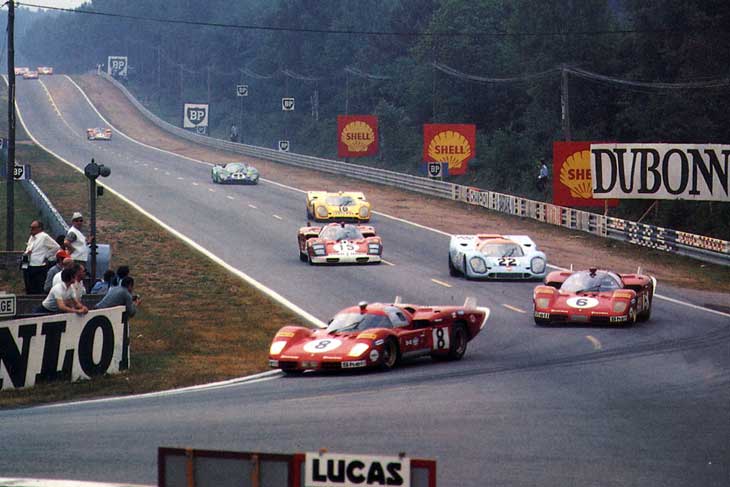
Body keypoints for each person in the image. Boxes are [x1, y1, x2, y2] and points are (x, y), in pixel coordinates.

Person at [23, 220, 61, 294]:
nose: (31, 229)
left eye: (33, 228)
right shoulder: (32, 237)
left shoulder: (44, 236)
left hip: (38, 265)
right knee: (29, 286)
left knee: (38, 287)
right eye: (31, 228)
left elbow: (56, 247)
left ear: (39, 228)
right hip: (28, 263)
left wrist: (46, 256)